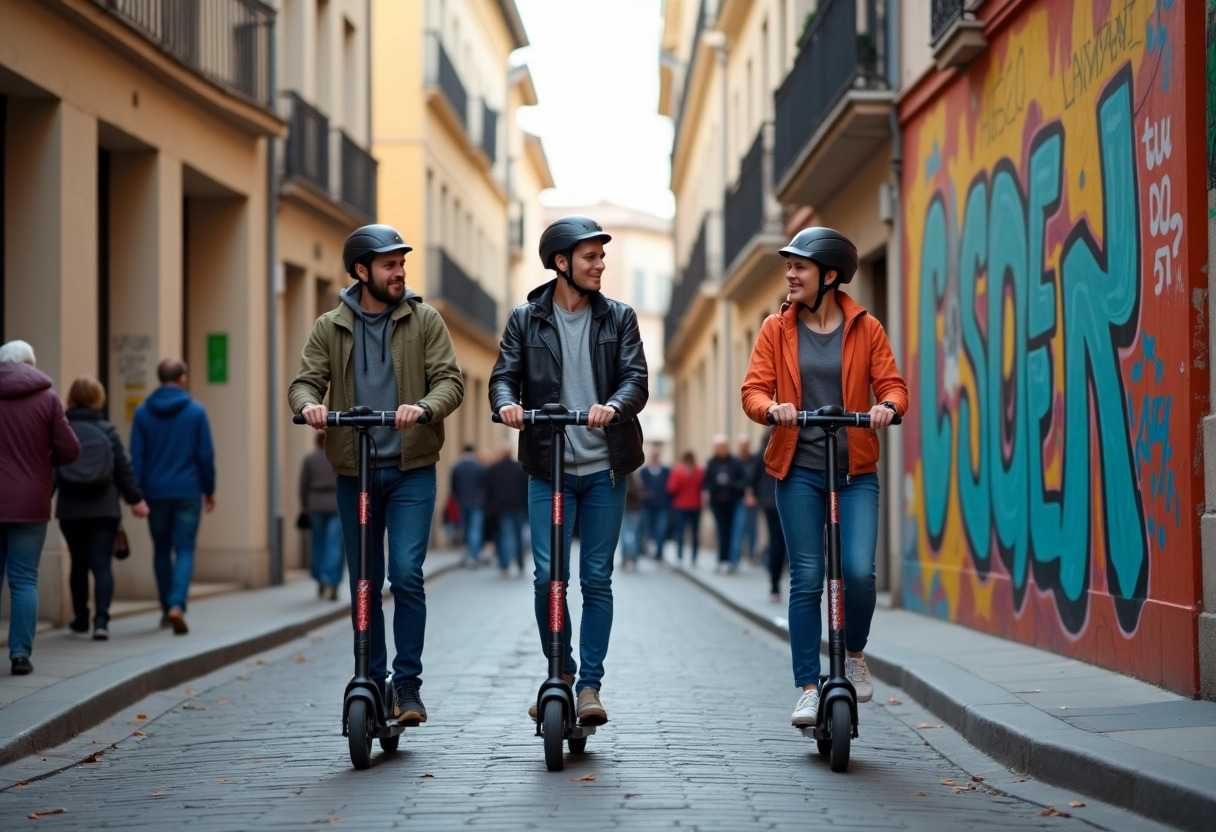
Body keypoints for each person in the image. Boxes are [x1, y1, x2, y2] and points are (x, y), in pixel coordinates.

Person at [290, 223, 464, 725]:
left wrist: (425, 408)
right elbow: (305, 382)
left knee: (406, 575)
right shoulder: (330, 326)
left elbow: (450, 381)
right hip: (355, 471)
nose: (400, 271)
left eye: (401, 263)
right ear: (361, 271)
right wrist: (310, 408)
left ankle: (406, 685)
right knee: (363, 580)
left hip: (411, 469)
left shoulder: (424, 319)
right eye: (390, 264)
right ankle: (371, 675)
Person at [741, 227, 908, 728]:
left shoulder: (867, 327)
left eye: (800, 267)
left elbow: (894, 385)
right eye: (789, 266)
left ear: (829, 276)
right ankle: (808, 688)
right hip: (799, 471)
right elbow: (753, 391)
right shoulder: (775, 328)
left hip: (855, 470)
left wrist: (886, 407)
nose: (790, 274)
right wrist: (774, 409)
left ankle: (854, 654)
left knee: (858, 573)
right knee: (807, 579)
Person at [490, 214, 648, 726]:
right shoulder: (525, 319)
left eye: (601, 257)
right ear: (561, 263)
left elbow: (636, 379)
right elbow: (503, 376)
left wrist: (616, 406)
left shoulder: (620, 317)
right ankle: (559, 672)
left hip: (605, 468)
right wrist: (507, 405)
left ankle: (589, 687)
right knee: (546, 579)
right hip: (547, 467)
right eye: (590, 257)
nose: (600, 264)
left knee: (596, 579)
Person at [0, 340, 80, 674]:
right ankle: (20, 654)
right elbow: (70, 449)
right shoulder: (47, 399)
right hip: (31, 500)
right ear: (31, 364)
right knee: (23, 579)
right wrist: (43, 459)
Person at [56, 375, 150, 640]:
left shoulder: (63, 429)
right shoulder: (107, 430)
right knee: (101, 565)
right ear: (98, 398)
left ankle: (80, 619)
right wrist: (136, 500)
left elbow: (51, 469)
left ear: (71, 398)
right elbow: (123, 468)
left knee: (78, 564)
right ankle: (101, 622)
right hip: (104, 508)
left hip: (71, 509)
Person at [130, 358, 216, 636]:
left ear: (159, 379)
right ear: (181, 378)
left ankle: (166, 607)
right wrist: (209, 489)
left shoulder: (143, 413)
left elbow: (137, 457)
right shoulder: (196, 412)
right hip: (188, 491)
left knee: (160, 550)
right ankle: (177, 604)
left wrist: (137, 495)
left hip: (155, 493)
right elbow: (205, 455)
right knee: (186, 549)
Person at [299, 431, 344, 600]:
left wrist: (304, 504)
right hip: (336, 504)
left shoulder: (310, 459)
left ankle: (319, 578)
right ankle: (332, 581)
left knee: (317, 543)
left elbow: (303, 484)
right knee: (334, 544)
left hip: (315, 504)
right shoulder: (338, 457)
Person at [748, 428, 785, 603]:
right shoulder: (787, 447)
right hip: (782, 499)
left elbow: (753, 477)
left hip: (769, 501)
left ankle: (775, 585)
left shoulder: (762, 451)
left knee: (776, 540)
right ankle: (778, 582)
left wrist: (753, 494)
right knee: (783, 542)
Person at [703, 435, 747, 574]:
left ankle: (730, 560)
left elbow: (744, 481)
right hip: (717, 503)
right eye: (718, 447)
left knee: (732, 531)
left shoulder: (735, 462)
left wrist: (731, 484)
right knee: (722, 531)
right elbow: (706, 483)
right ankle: (722, 560)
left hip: (733, 502)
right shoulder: (711, 463)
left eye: (723, 447)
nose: (721, 449)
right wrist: (714, 485)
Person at [484, 443, 529, 577]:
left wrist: (490, 506)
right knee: (518, 536)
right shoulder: (520, 468)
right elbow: (525, 489)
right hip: (518, 506)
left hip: (501, 507)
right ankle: (520, 563)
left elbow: (489, 490)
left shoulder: (494, 469)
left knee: (505, 535)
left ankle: (504, 565)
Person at [449, 444, 487, 568]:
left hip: (462, 501)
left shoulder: (457, 467)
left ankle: (466, 553)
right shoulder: (479, 467)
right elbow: (484, 486)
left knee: (464, 528)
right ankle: (473, 556)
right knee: (475, 529)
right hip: (477, 502)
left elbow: (453, 487)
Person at [666, 451, 703, 565]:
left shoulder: (678, 471)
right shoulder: (699, 471)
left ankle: (681, 556)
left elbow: (671, 488)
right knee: (693, 533)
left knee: (682, 532)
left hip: (683, 506)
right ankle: (692, 557)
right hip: (693, 505)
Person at [730, 434, 759, 566]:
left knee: (752, 529)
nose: (744, 447)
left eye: (746, 445)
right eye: (742, 445)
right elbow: (733, 480)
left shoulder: (754, 460)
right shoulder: (735, 462)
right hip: (740, 499)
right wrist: (745, 491)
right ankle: (735, 558)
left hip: (754, 500)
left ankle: (752, 556)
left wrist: (753, 493)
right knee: (739, 528)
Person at [638, 445, 671, 559]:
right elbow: (640, 487)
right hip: (647, 505)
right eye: (653, 455)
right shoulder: (644, 471)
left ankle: (659, 553)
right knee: (646, 529)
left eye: (657, 455)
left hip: (662, 505)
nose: (655, 457)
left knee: (661, 529)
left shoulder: (666, 471)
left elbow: (670, 487)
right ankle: (643, 549)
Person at [618, 470, 646, 571]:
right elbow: (635, 491)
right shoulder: (630, 475)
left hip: (630, 509)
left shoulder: (630, 475)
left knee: (628, 534)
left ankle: (629, 558)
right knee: (629, 534)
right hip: (630, 509)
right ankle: (629, 558)